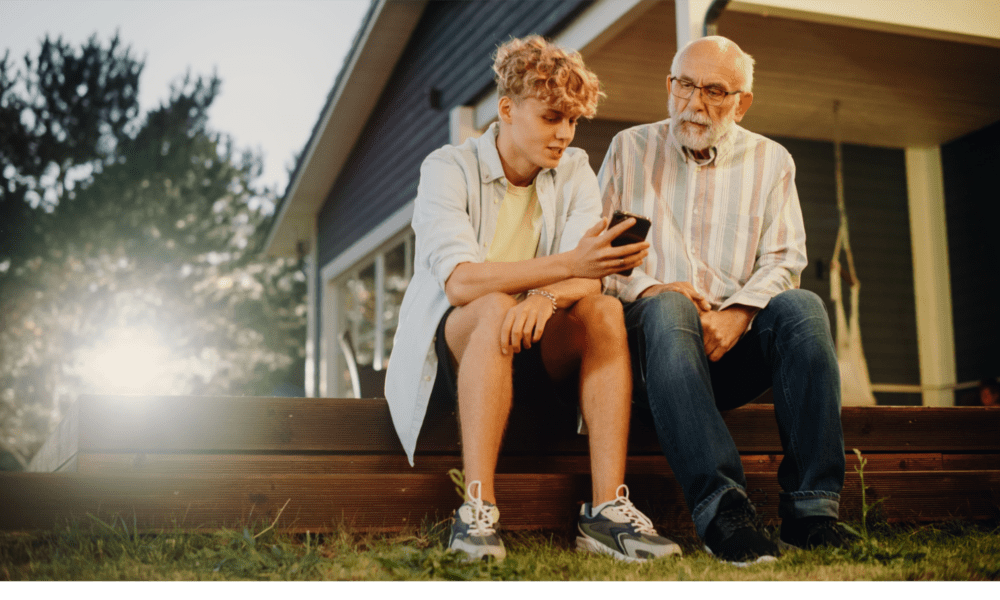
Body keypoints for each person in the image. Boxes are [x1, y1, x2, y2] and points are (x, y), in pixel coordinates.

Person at [384, 36, 682, 563]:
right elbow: (461, 283)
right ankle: (477, 511)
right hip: (464, 344)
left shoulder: (574, 170)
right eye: (551, 117)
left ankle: (606, 512)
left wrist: (546, 296)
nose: (564, 134)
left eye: (573, 120)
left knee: (606, 309)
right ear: (507, 110)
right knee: (495, 305)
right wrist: (568, 268)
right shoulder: (446, 167)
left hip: (542, 340)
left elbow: (590, 280)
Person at [599, 35, 849, 565]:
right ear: (669, 85)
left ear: (742, 101)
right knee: (671, 307)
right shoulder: (628, 148)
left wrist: (738, 314)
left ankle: (813, 512)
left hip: (726, 353)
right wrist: (654, 288)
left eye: (714, 90)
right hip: (652, 357)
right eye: (684, 85)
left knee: (803, 308)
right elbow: (597, 260)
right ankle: (723, 510)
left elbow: (785, 260)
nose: (694, 103)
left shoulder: (773, 161)